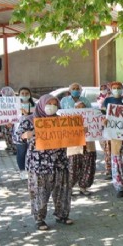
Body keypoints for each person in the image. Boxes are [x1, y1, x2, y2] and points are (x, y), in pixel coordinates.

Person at [15, 94, 74, 230]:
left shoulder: (60, 120)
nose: (52, 107)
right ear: (41, 104)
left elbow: (71, 135)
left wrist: (81, 133)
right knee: (40, 192)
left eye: (54, 104)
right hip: (39, 164)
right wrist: (25, 135)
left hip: (59, 161)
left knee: (63, 190)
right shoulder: (29, 121)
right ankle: (39, 219)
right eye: (49, 103)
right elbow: (17, 138)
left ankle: (62, 215)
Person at [67, 101, 97, 196]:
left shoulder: (92, 118)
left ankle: (83, 187)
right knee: (72, 168)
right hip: (74, 147)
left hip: (89, 146)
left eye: (83, 107)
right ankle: (69, 188)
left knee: (88, 167)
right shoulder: (69, 119)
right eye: (78, 107)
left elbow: (97, 128)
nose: (80, 109)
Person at [101, 82, 123, 180]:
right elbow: (102, 113)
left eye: (119, 88)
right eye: (114, 88)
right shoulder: (107, 100)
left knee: (120, 151)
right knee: (109, 150)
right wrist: (104, 121)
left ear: (122, 89)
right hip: (110, 129)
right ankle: (109, 171)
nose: (117, 89)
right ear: (111, 89)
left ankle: (120, 170)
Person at [13, 87, 35, 179]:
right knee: (21, 152)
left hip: (32, 132)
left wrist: (27, 115)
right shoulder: (15, 105)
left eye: (27, 93)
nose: (25, 95)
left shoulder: (35, 105)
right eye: (23, 93)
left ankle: (31, 170)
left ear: (30, 94)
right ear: (19, 94)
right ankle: (22, 171)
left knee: (31, 151)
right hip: (19, 131)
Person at [0, 86, 17, 155]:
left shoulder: (16, 101)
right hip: (5, 123)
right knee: (7, 135)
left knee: (13, 135)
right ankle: (10, 147)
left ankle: (14, 148)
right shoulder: (1, 102)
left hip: (14, 123)